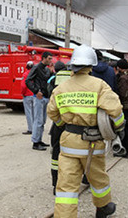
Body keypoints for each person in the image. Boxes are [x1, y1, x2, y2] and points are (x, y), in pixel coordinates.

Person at [47, 44, 125, 218]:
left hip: (68, 143)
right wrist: (119, 128)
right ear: (91, 65)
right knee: (98, 179)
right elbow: (116, 110)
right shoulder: (99, 86)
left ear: (73, 65)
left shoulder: (61, 88)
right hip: (92, 144)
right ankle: (103, 207)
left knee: (66, 187)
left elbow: (52, 112)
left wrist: (62, 123)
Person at [47, 61, 71, 195]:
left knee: (56, 153)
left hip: (58, 123)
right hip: (73, 123)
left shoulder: (52, 80)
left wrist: (58, 121)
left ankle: (56, 185)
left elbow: (50, 102)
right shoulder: (74, 80)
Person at [25, 51, 53, 151]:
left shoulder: (46, 69)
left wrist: (51, 72)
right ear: (44, 58)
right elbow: (28, 80)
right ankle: (35, 142)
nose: (51, 60)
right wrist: (36, 91)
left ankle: (39, 139)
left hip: (45, 97)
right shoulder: (36, 67)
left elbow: (46, 80)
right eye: (49, 58)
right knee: (38, 120)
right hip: (38, 97)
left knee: (43, 120)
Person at [21, 61, 35, 135]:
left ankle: (30, 129)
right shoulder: (36, 74)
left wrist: (23, 93)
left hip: (27, 95)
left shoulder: (26, 74)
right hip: (35, 95)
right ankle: (35, 128)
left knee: (28, 113)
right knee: (34, 113)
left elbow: (23, 86)